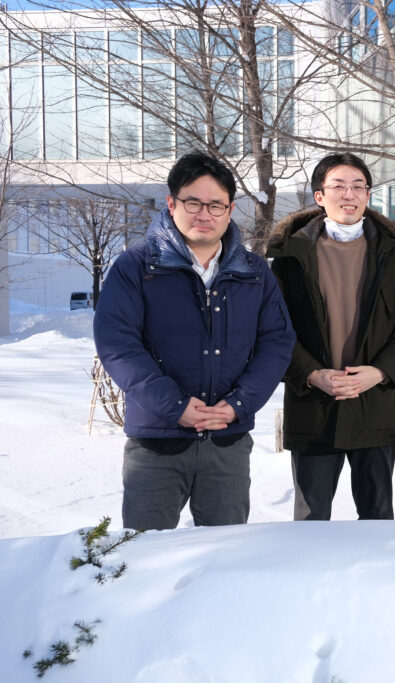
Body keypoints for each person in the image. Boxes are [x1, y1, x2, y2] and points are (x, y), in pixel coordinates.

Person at [94, 151, 295, 531]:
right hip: (158, 439)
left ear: (230, 209)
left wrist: (239, 404)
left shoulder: (254, 273)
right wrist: (174, 405)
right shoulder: (137, 267)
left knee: (224, 558)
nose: (205, 214)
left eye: (216, 205)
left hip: (227, 440)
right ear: (171, 203)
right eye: (193, 202)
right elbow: (118, 345)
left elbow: (277, 342)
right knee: (143, 556)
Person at [267, 152, 395, 521]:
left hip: (374, 404)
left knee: (377, 517)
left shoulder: (393, 254)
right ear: (319, 196)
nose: (349, 194)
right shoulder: (291, 256)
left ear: (368, 196)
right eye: (338, 186)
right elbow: (274, 329)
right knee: (311, 520)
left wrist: (381, 372)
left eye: (358, 186)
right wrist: (311, 373)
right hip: (313, 405)